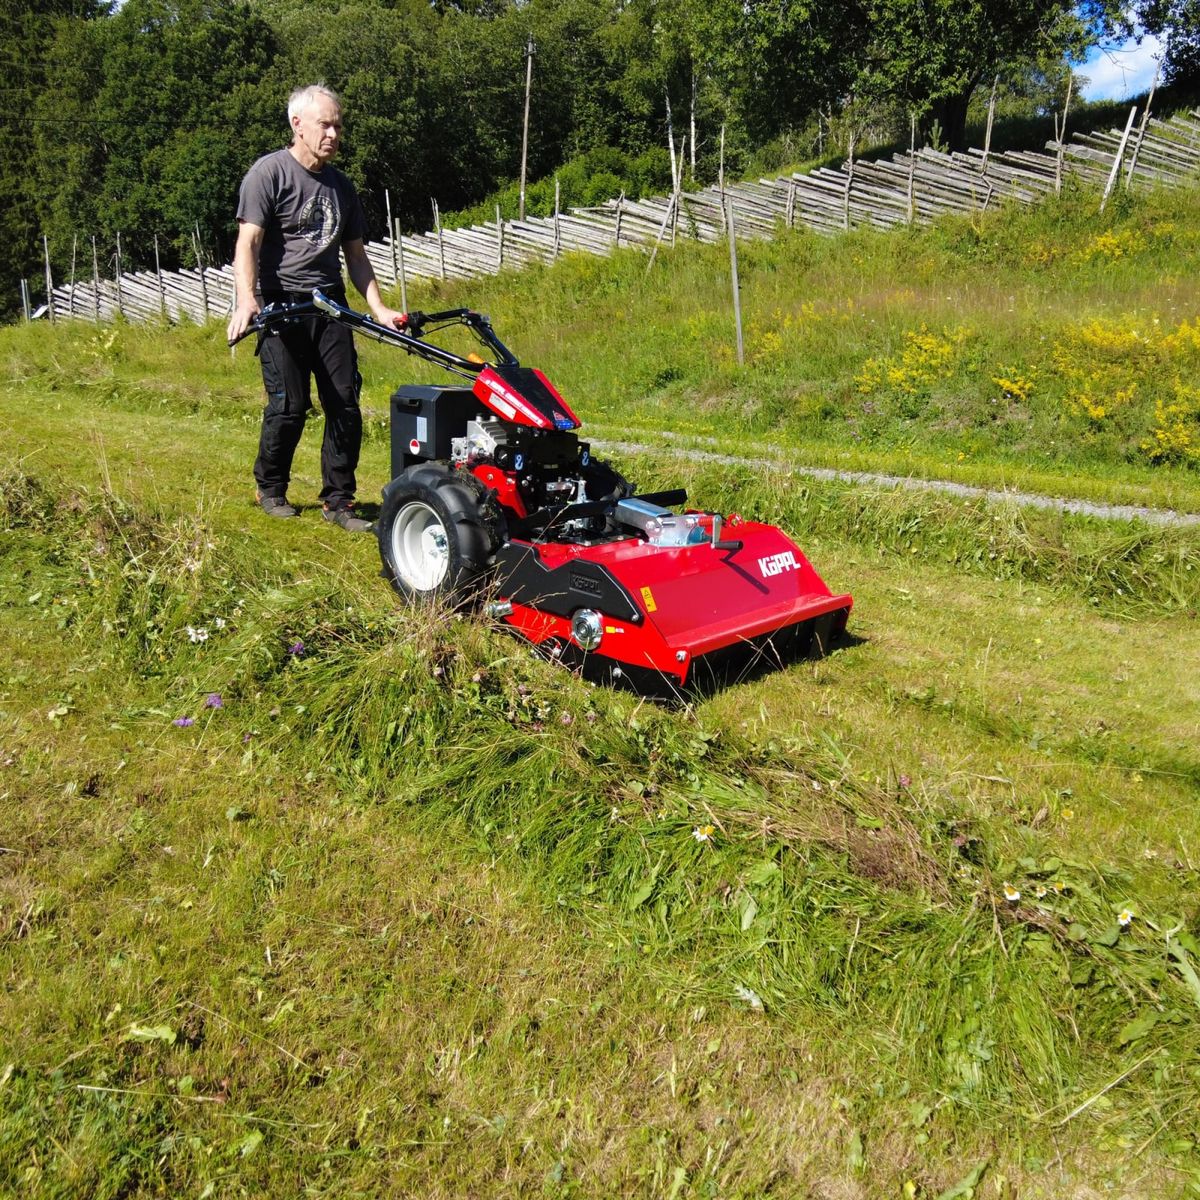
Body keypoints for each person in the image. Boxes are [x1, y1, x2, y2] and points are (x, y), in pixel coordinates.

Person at [227, 83, 407, 531]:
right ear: (298, 125)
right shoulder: (268, 174)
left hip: (329, 306)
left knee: (344, 403)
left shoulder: (341, 186)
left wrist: (379, 308)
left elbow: (357, 256)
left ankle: (339, 501)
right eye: (325, 124)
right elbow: (247, 242)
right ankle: (270, 488)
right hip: (280, 305)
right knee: (289, 405)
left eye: (338, 125)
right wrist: (247, 298)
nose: (333, 133)